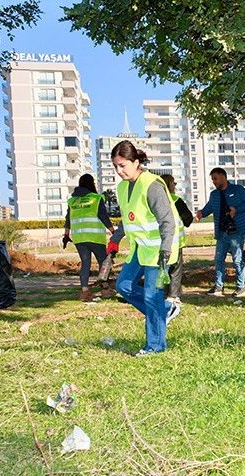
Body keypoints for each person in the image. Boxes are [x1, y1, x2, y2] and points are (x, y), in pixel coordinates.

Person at [107, 140, 181, 355]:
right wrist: (116, 239)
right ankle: (166, 309)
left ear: (136, 162)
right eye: (116, 166)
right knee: (124, 286)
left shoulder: (152, 185)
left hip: (160, 250)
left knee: (151, 296)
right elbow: (127, 219)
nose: (119, 171)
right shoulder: (122, 188)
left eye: (123, 165)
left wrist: (166, 250)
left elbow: (168, 221)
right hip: (141, 247)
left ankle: (155, 346)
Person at [195, 168, 245, 297]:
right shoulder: (214, 194)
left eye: (215, 178)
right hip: (222, 232)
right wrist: (201, 213)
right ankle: (218, 287)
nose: (214, 182)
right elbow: (210, 207)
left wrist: (236, 210)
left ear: (223, 177)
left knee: (237, 259)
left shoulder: (238, 190)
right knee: (219, 259)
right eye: (213, 180)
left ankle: (241, 287)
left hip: (237, 231)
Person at [63, 174, 115, 301]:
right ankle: (106, 289)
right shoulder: (96, 198)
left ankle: (85, 291)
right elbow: (103, 216)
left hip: (79, 238)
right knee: (103, 263)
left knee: (85, 264)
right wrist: (113, 231)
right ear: (91, 183)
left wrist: (66, 235)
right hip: (95, 236)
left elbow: (68, 219)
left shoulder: (73, 201)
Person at [161, 174, 194, 302]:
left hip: (158, 241)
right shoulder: (175, 200)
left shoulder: (152, 200)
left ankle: (161, 293)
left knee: (161, 268)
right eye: (174, 184)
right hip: (175, 242)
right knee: (175, 269)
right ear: (170, 185)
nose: (175, 186)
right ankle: (173, 295)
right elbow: (188, 218)